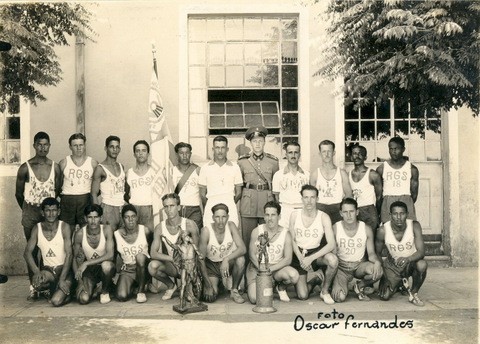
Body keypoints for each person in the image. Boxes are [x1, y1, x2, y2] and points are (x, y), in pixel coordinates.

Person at [15, 131, 62, 299]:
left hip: (48, 212)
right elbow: (18, 194)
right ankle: (34, 286)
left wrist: (48, 211)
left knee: (49, 249)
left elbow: (57, 190)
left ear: (49, 146)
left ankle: (46, 285)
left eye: (46, 144)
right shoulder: (25, 167)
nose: (43, 147)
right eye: (39, 144)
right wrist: (29, 210)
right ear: (34, 145)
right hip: (31, 211)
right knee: (33, 250)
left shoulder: (54, 166)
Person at [289, 185, 338, 304]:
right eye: (306, 197)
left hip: (315, 253)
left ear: (317, 199)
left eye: (312, 197)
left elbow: (331, 244)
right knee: (303, 295)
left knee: (333, 260)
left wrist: (310, 258)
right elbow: (292, 240)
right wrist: (301, 259)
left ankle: (324, 291)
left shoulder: (323, 217)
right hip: (298, 254)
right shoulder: (294, 215)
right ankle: (315, 281)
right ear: (301, 199)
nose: (309, 201)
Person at [148, 193, 200, 300]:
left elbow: (198, 251)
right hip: (174, 265)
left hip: (190, 266)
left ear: (179, 207)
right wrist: (173, 259)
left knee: (191, 299)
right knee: (152, 266)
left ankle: (188, 288)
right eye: (166, 207)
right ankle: (171, 286)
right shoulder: (160, 227)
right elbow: (153, 253)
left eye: (172, 206)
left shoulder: (190, 224)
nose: (169, 209)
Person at [375, 201, 427, 306]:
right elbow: (377, 254)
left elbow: (421, 252)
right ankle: (399, 283)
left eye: (402, 213)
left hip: (410, 262)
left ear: (407, 214)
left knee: (422, 264)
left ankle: (413, 293)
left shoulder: (414, 225)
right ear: (390, 215)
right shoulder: (383, 230)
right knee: (384, 296)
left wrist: (408, 259)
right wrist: (385, 275)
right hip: (393, 265)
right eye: (395, 214)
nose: (398, 217)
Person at [331, 198, 383, 303]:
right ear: (341, 213)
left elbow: (371, 254)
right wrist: (335, 275)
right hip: (341, 267)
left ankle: (359, 286)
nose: (349, 215)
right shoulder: (336, 228)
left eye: (351, 211)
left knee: (378, 271)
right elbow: (333, 254)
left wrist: (377, 262)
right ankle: (332, 282)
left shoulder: (366, 229)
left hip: (359, 266)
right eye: (345, 212)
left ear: (357, 212)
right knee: (339, 298)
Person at [23, 198, 73, 306]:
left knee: (56, 301)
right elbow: (27, 253)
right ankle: (55, 288)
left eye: (54, 210)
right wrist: (37, 271)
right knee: (36, 284)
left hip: (64, 270)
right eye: (47, 210)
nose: (51, 214)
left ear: (58, 212)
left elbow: (69, 255)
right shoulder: (37, 228)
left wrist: (63, 279)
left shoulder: (64, 227)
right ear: (42, 212)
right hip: (48, 270)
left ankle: (68, 291)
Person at [246, 201, 299, 303]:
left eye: (273, 215)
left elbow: (288, 259)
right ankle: (269, 286)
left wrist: (270, 269)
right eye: (267, 215)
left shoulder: (285, 234)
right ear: (264, 216)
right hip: (257, 267)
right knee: (254, 298)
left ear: (279, 216)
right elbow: (252, 254)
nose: (270, 218)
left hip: (276, 268)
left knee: (294, 275)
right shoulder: (257, 231)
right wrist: (261, 269)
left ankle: (280, 287)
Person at [238, 126, 279, 253]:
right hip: (248, 204)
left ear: (264, 142)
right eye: (255, 141)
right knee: (247, 238)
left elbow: (276, 183)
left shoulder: (273, 161)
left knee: (267, 238)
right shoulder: (242, 161)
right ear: (250, 143)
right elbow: (239, 185)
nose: (257, 144)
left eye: (260, 141)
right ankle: (247, 269)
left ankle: (265, 268)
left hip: (266, 204)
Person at [199, 204, 246, 304]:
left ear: (227, 217)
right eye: (217, 217)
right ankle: (219, 283)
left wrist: (226, 259)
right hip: (212, 265)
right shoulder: (206, 231)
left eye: (223, 217)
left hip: (228, 264)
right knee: (210, 297)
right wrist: (207, 284)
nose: (220, 221)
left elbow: (242, 248)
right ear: (213, 218)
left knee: (241, 259)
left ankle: (234, 290)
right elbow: (200, 259)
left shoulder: (231, 226)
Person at [73, 204, 115, 305]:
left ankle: (104, 291)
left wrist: (86, 263)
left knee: (106, 265)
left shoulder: (106, 229)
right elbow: (74, 258)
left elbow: (110, 255)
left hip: (105, 269)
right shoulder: (80, 234)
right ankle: (97, 287)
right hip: (90, 271)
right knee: (84, 299)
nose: (93, 221)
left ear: (101, 218)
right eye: (90, 217)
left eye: (96, 217)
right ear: (85, 218)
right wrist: (80, 282)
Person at [198, 136, 243, 227]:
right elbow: (202, 194)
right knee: (210, 234)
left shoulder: (235, 167)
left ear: (227, 149)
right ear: (213, 149)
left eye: (223, 147)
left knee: (231, 233)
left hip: (229, 203)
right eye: (217, 147)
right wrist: (211, 203)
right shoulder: (205, 168)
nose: (220, 151)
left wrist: (229, 202)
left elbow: (238, 192)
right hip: (211, 203)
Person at [59, 133, 98, 231]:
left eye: (81, 145)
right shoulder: (64, 162)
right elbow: (57, 184)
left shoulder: (93, 162)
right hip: (68, 200)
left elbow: (97, 185)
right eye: (75, 145)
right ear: (70, 147)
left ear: (84, 145)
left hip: (85, 199)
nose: (78, 148)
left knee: (86, 230)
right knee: (67, 231)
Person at [376, 136, 419, 224]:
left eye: (396, 149)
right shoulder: (382, 168)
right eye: (391, 149)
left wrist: (407, 201)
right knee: (387, 229)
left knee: (408, 228)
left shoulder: (412, 169)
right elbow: (378, 194)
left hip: (406, 200)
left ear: (403, 149)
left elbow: (414, 194)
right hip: (388, 200)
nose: (393, 152)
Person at [114, 204, 151, 303]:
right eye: (127, 217)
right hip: (128, 270)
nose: (130, 220)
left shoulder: (145, 231)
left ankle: (141, 291)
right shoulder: (117, 235)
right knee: (121, 296)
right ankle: (134, 285)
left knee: (139, 256)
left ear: (137, 218)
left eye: (133, 216)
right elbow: (113, 256)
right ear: (123, 219)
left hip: (144, 268)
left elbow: (151, 252)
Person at [310, 140, 352, 225]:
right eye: (324, 151)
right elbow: (311, 197)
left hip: (337, 209)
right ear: (320, 154)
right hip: (320, 208)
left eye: (329, 151)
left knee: (337, 235)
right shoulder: (315, 174)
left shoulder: (341, 173)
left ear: (334, 153)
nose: (326, 154)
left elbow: (349, 195)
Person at [91, 135, 126, 230]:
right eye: (111, 147)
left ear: (120, 149)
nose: (115, 149)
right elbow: (94, 193)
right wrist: (98, 212)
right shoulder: (100, 168)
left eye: (117, 147)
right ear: (106, 148)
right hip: (108, 208)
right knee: (109, 237)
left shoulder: (121, 166)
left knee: (121, 238)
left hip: (121, 207)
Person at [272, 141, 309, 229]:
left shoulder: (307, 175)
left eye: (296, 152)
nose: (293, 155)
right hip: (285, 210)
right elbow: (276, 197)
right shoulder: (278, 175)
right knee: (285, 237)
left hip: (301, 210)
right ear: (286, 155)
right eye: (290, 152)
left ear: (299, 155)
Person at [348, 145, 382, 231]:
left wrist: (376, 213)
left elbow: (379, 197)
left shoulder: (373, 174)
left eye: (360, 154)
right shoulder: (347, 175)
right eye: (355, 153)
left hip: (369, 211)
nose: (357, 156)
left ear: (365, 157)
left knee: (370, 240)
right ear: (351, 157)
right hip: (353, 211)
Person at [125, 140, 155, 230]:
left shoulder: (155, 171)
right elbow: (124, 194)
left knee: (149, 236)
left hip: (150, 209)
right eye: (138, 151)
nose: (141, 153)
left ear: (148, 154)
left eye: (143, 150)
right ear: (134, 154)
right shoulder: (129, 173)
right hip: (134, 210)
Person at [172, 142, 203, 231]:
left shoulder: (197, 170)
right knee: (178, 236)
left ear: (190, 154)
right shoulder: (172, 171)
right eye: (181, 153)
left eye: (187, 153)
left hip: (194, 209)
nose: (185, 156)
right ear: (177, 155)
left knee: (195, 235)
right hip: (177, 209)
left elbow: (204, 192)